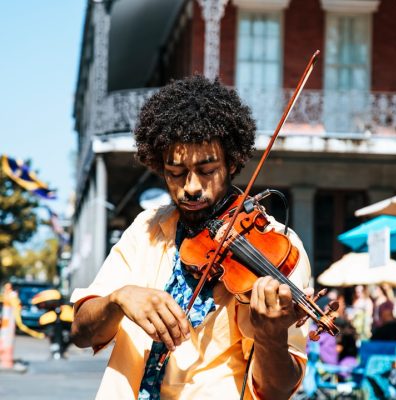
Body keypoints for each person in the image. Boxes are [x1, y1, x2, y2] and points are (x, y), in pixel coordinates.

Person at [70, 75, 312, 400]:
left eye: (208, 170)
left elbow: (278, 389)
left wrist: (271, 338)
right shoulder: (146, 229)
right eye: (175, 173)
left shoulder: (278, 247)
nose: (192, 187)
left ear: (233, 162)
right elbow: (81, 332)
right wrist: (118, 300)